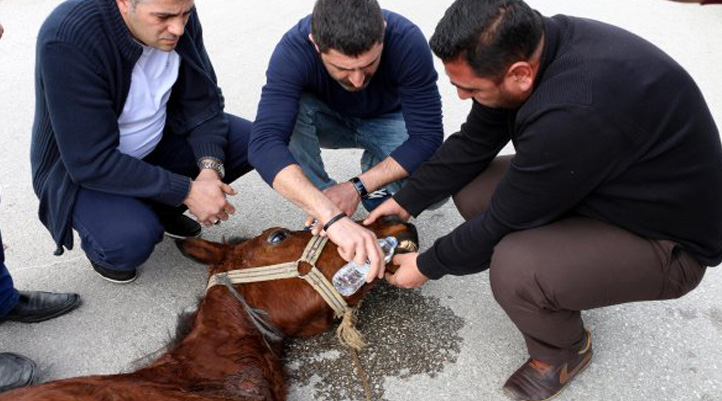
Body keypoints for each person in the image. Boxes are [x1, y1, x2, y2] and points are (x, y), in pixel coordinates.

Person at [366, 0, 722, 399]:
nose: (463, 97)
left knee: (515, 268)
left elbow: (502, 220)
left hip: (666, 240)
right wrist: (406, 201)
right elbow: (473, 145)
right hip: (610, 182)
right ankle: (560, 266)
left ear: (519, 74)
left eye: (470, 88)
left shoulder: (574, 109)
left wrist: (427, 265)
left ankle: (565, 351)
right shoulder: (537, 46)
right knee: (472, 187)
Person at [32, 0, 254, 284]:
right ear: (124, 3)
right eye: (163, 17)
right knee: (129, 241)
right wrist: (187, 190)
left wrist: (209, 171)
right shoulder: (68, 36)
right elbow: (89, 160)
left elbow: (204, 103)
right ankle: (109, 246)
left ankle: (158, 208)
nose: (178, 28)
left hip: (158, 139)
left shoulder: (176, 12)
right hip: (82, 173)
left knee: (251, 140)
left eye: (185, 14)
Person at [248, 0, 443, 275]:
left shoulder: (406, 39)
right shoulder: (292, 50)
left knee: (435, 186)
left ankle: (375, 192)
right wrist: (331, 215)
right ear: (316, 44)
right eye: (342, 68)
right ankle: (324, 213)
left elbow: (427, 136)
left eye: (369, 64)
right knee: (284, 123)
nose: (357, 81)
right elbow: (263, 144)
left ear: (383, 32)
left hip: (389, 121)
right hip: (327, 119)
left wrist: (356, 187)